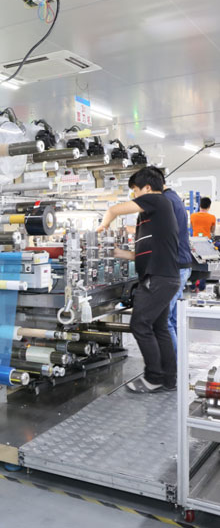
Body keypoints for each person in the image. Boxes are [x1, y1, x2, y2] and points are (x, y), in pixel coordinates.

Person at [97, 167, 179, 393]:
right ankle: (168, 379)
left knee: (140, 325)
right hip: (164, 277)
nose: (134, 195)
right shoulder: (153, 216)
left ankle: (153, 378)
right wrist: (117, 252)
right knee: (159, 327)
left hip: (158, 278)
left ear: (148, 188)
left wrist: (102, 227)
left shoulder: (157, 200)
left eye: (135, 190)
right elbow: (141, 254)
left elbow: (113, 210)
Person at [162, 183, 192, 353]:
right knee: (173, 318)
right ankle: (179, 361)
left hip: (174, 267)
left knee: (163, 319)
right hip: (180, 265)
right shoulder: (174, 198)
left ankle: (172, 363)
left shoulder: (166, 201)